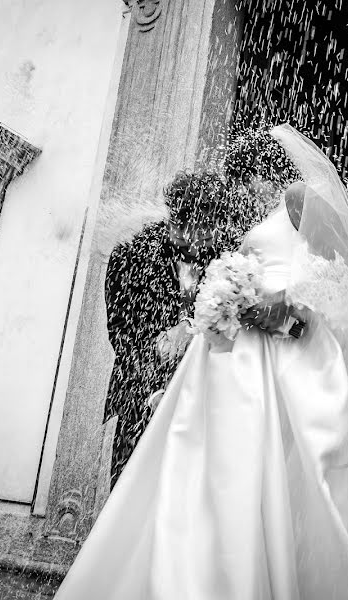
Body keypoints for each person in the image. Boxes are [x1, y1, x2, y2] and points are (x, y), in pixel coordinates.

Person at [55, 125, 348, 599]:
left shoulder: (300, 196)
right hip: (243, 355)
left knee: (305, 464)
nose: (243, 196)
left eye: (246, 184)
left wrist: (288, 305)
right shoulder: (238, 221)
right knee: (219, 466)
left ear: (263, 173)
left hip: (294, 352)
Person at [103, 171, 230, 487]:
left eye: (212, 231)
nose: (209, 240)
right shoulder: (130, 253)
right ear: (177, 220)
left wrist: (191, 330)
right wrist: (153, 389)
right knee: (132, 489)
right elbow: (121, 332)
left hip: (203, 401)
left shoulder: (224, 259)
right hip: (140, 399)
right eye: (202, 232)